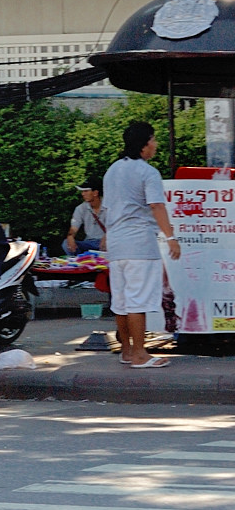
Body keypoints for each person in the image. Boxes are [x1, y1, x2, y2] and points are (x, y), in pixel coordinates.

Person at [103, 121, 180, 369]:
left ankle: (127, 351)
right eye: (154, 140)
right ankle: (140, 354)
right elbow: (157, 206)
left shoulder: (112, 170)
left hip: (117, 245)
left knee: (122, 302)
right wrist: (170, 237)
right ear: (145, 145)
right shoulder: (147, 172)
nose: (156, 145)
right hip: (139, 244)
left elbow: (108, 209)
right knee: (137, 300)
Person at [63, 175, 107, 255]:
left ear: (95, 193)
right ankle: (79, 263)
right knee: (66, 243)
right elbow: (74, 228)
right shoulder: (81, 208)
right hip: (89, 242)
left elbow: (116, 225)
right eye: (82, 191)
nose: (83, 194)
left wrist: (107, 237)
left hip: (108, 241)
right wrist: (70, 237)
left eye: (86, 191)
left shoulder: (109, 206)